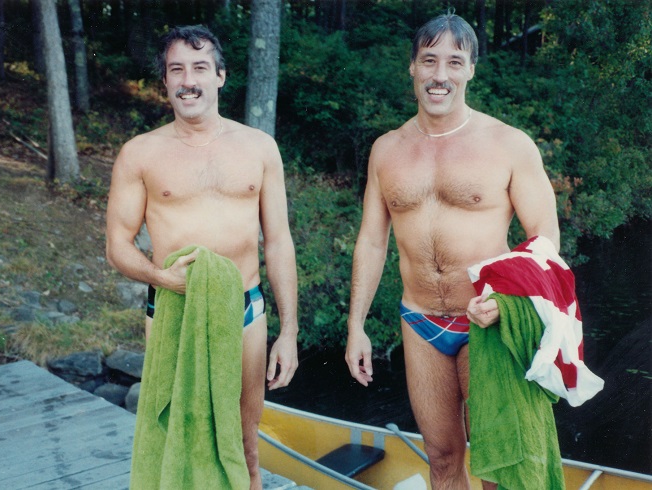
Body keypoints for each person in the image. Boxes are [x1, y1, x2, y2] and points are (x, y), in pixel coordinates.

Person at [344, 12, 560, 490]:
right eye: (429, 60)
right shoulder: (386, 149)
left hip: (488, 321)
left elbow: (544, 235)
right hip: (419, 321)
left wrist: (507, 299)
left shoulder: (509, 144)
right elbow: (372, 240)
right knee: (442, 459)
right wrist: (356, 325)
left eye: (454, 62)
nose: (439, 74)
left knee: (498, 466)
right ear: (413, 67)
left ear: (470, 70)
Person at [105, 25, 299, 490]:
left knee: (245, 445)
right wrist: (161, 278)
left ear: (220, 76)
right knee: (180, 442)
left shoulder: (259, 147)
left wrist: (289, 332)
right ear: (165, 81)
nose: (188, 81)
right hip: (175, 307)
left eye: (199, 68)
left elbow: (278, 242)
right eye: (177, 70)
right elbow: (117, 245)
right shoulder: (140, 154)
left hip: (245, 308)